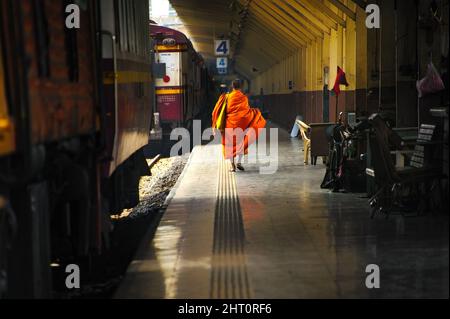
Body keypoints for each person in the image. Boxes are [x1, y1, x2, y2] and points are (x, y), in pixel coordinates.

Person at [212, 79, 266, 172]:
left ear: (232, 87)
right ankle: (239, 162)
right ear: (240, 87)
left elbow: (218, 110)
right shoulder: (244, 97)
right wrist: (255, 113)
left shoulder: (227, 97)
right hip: (241, 126)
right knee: (241, 143)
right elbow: (246, 111)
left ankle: (233, 167)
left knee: (228, 145)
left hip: (229, 125)